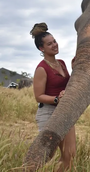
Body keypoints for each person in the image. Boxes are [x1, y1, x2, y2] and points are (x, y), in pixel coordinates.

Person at [30, 22, 76, 172]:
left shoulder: (62, 64)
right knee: (45, 157)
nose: (54, 45)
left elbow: (67, 85)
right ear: (41, 48)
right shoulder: (42, 69)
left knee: (70, 155)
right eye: (50, 44)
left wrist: (76, 69)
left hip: (64, 112)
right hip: (48, 113)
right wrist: (56, 98)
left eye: (54, 41)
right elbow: (39, 96)